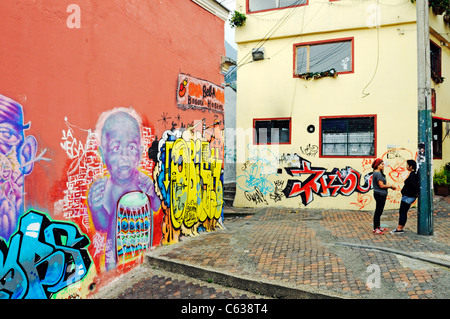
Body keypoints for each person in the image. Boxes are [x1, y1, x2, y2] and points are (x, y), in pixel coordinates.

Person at [88, 108, 160, 269]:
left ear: (140, 153)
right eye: (115, 148)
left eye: (132, 147)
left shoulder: (143, 181)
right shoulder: (106, 187)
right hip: (115, 258)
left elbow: (156, 207)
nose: (124, 156)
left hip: (142, 250)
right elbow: (102, 225)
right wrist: (97, 207)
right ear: (102, 154)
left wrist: (152, 194)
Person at [391, 160, 419, 234]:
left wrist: (415, 193)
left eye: (407, 165)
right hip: (407, 196)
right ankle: (400, 228)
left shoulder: (413, 175)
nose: (406, 166)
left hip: (408, 197)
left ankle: (399, 229)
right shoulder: (412, 174)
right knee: (403, 212)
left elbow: (414, 186)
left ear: (411, 167)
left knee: (403, 212)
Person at [371, 158, 396, 234]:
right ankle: (375, 228)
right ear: (377, 165)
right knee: (378, 211)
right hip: (380, 194)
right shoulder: (378, 173)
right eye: (381, 164)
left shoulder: (377, 173)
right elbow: (381, 185)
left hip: (379, 194)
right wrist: (390, 186)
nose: (383, 165)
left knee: (379, 211)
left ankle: (378, 226)